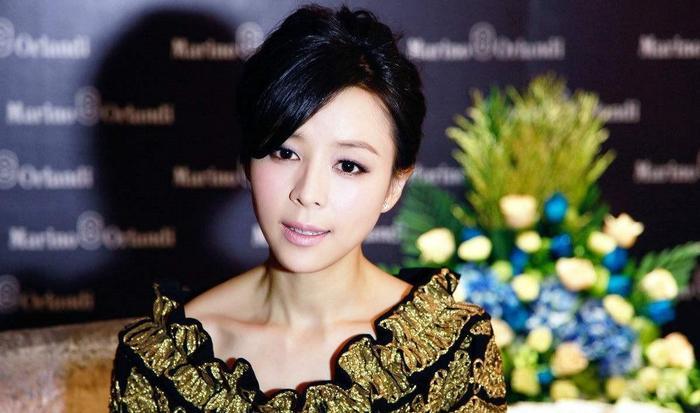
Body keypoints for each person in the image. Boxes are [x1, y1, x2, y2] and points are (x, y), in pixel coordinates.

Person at [108, 4, 506, 412]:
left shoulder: (452, 349)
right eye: (285, 152)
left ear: (394, 185)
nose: (308, 192)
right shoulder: (163, 359)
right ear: (248, 160)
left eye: (348, 165)